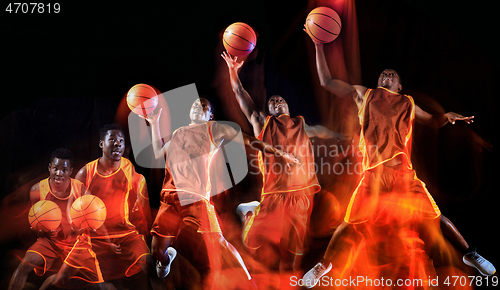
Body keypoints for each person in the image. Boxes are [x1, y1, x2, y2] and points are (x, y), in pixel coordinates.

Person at [302, 40, 496, 287]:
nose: (387, 74)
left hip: (403, 174)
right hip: (373, 176)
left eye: (392, 75)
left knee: (436, 218)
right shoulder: (364, 94)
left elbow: (433, 120)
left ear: (399, 85)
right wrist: (319, 45)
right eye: (384, 73)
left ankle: (471, 254)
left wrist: (447, 117)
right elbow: (326, 82)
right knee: (350, 224)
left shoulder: (409, 103)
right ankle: (323, 265)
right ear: (378, 81)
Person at [141, 97, 296, 289]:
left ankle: (250, 282)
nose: (199, 107)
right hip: (170, 198)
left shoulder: (213, 129)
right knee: (157, 252)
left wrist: (279, 153)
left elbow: (249, 141)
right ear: (189, 113)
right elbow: (157, 152)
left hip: (196, 200)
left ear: (210, 115)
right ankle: (165, 261)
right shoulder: (178, 133)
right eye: (195, 104)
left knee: (221, 244)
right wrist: (155, 123)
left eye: (204, 106)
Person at [222, 51, 348, 272]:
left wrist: (344, 138)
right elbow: (240, 93)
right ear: (268, 110)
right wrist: (233, 73)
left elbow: (323, 132)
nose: (277, 101)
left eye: (280, 100)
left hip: (302, 196)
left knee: (291, 260)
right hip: (274, 195)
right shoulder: (262, 123)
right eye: (272, 101)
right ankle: (249, 214)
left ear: (288, 107)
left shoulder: (301, 125)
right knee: (255, 246)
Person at [39, 124, 154, 289]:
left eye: (121, 140)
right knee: (60, 279)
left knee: (149, 266)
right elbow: (72, 203)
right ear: (101, 144)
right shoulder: (86, 172)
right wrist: (74, 223)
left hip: (125, 233)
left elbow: (138, 193)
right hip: (92, 236)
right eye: (112, 139)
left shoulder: (128, 167)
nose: (118, 144)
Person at [8, 148, 100, 290]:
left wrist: (85, 225)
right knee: (24, 265)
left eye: (64, 170)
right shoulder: (37, 189)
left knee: (98, 286)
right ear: (50, 167)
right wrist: (39, 229)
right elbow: (35, 219)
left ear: (70, 171)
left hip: (76, 242)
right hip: (51, 241)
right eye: (56, 168)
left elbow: (93, 215)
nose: (59, 173)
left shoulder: (80, 189)